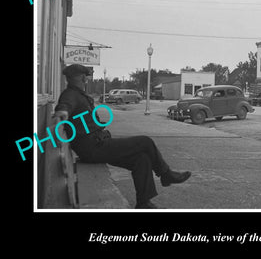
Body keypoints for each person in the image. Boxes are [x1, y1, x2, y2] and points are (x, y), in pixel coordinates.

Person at [54, 64, 191, 209]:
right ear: (82, 78)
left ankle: (143, 203)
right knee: (145, 142)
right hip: (93, 148)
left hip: (97, 144)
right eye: (85, 78)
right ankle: (166, 174)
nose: (86, 80)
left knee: (141, 159)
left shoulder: (77, 94)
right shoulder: (71, 94)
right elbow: (65, 105)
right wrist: (63, 111)